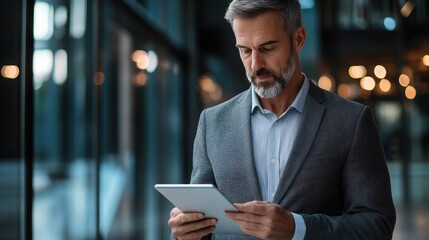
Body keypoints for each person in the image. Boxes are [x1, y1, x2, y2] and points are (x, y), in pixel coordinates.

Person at [168, 0, 396, 239]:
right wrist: (184, 231)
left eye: (267, 48)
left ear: (298, 39)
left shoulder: (351, 122)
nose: (255, 65)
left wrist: (297, 228)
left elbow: (376, 225)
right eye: (245, 50)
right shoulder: (212, 123)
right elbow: (200, 222)